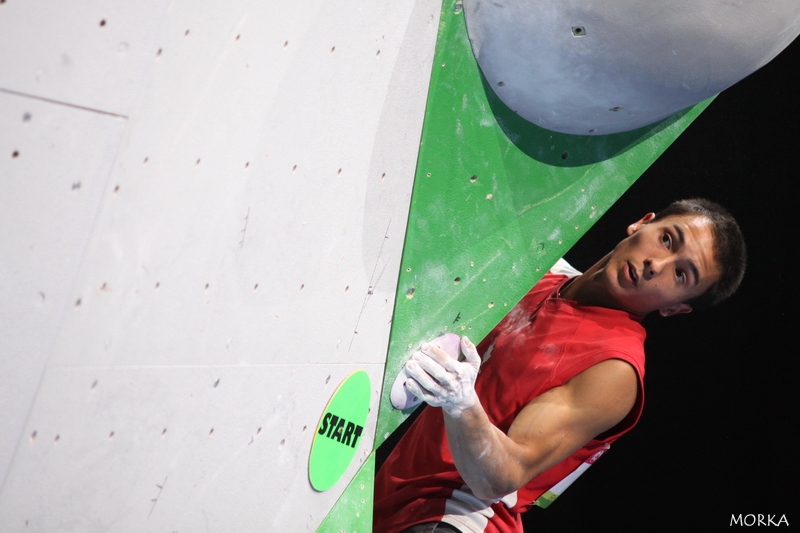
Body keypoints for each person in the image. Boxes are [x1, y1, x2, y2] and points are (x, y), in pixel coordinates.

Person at [374, 198, 746, 533]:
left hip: (455, 518)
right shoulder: (537, 273)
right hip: (391, 492)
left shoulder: (615, 370)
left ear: (675, 308)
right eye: (667, 239)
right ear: (642, 222)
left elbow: (501, 477)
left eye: (682, 275)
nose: (656, 265)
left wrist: (461, 403)